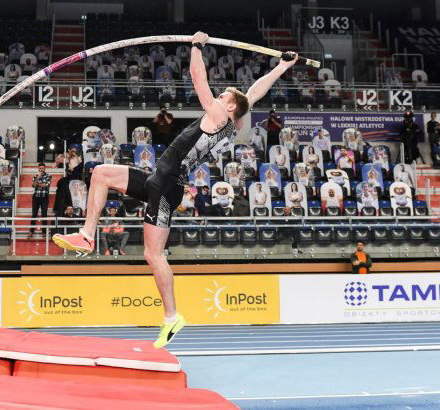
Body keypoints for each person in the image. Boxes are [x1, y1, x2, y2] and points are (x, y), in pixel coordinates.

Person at [53, 31, 298, 348]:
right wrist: (281, 67)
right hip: (157, 179)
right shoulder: (231, 120)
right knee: (100, 173)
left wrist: (196, 46)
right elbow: (253, 94)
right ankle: (87, 235)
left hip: (167, 188)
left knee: (152, 254)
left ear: (228, 106)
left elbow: (199, 80)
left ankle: (172, 317)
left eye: (224, 95)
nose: (219, 96)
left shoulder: (219, 116)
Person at [31, 163, 51, 236]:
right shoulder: (35, 176)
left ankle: (44, 232)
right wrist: (37, 178)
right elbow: (33, 185)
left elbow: (45, 185)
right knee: (34, 215)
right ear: (38, 168)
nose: (41, 169)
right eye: (40, 168)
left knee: (44, 215)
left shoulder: (48, 176)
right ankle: (31, 231)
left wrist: (37, 183)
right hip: (36, 197)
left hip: (44, 197)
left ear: (45, 168)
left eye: (42, 168)